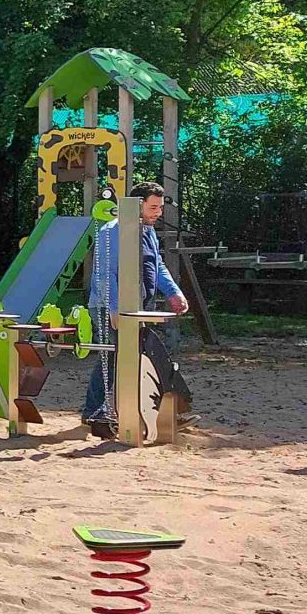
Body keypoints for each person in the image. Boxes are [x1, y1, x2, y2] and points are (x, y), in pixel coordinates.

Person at [81, 182, 189, 440]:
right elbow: (105, 273)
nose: (158, 213)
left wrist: (174, 292)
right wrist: (114, 309)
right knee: (112, 358)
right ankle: (96, 413)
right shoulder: (111, 231)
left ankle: (141, 413)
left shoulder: (148, 231)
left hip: (138, 307)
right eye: (153, 207)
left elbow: (157, 265)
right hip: (109, 307)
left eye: (160, 208)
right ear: (137, 205)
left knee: (139, 359)